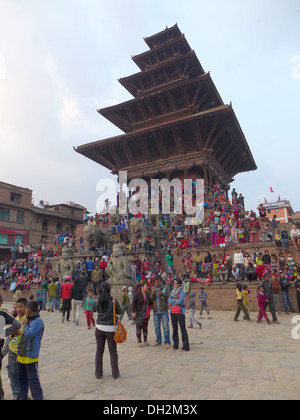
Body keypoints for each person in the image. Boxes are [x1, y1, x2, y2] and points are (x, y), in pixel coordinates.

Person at [92, 282, 122, 380]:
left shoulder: (98, 300)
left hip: (99, 327)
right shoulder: (113, 300)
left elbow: (93, 309)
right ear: (109, 290)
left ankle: (98, 373)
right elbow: (120, 311)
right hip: (110, 328)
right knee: (113, 351)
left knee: (99, 351)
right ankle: (115, 373)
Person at [17, 300, 44, 400]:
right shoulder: (29, 320)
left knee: (33, 382)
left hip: (30, 357)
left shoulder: (37, 321)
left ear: (30, 310)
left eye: (25, 308)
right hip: (22, 356)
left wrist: (25, 325)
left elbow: (29, 334)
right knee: (22, 380)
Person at [4, 297, 27, 400]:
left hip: (22, 351)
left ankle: (23, 394)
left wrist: (20, 330)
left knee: (23, 374)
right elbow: (9, 336)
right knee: (12, 373)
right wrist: (12, 333)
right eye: (17, 307)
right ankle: (16, 394)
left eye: (21, 307)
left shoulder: (28, 320)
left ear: (26, 307)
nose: (19, 309)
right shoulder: (15, 320)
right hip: (12, 350)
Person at [0, 309, 22, 400]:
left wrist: (3, 333)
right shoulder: (3, 314)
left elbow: (18, 325)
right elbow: (17, 324)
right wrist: (3, 334)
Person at [168, 278, 190, 351]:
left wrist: (173, 301)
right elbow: (169, 300)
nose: (174, 285)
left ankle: (185, 345)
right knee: (174, 328)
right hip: (173, 312)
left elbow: (180, 301)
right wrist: (174, 300)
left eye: (176, 283)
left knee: (182, 328)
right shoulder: (173, 291)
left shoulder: (182, 292)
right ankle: (175, 344)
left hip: (180, 312)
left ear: (179, 284)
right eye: (173, 283)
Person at [150, 276, 171, 348]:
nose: (157, 283)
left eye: (158, 282)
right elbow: (151, 299)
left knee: (165, 327)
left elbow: (168, 296)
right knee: (156, 327)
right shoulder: (153, 288)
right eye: (156, 282)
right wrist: (152, 294)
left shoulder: (165, 287)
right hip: (156, 311)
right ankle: (158, 340)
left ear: (161, 281)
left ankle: (167, 341)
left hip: (164, 310)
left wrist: (161, 293)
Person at [132, 281, 151, 348]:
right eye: (145, 286)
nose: (147, 287)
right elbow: (133, 303)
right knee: (138, 328)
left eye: (147, 286)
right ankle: (139, 341)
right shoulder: (137, 294)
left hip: (146, 313)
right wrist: (133, 312)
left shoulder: (147, 295)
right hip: (139, 314)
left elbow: (150, 302)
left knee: (145, 328)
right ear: (141, 287)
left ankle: (145, 340)